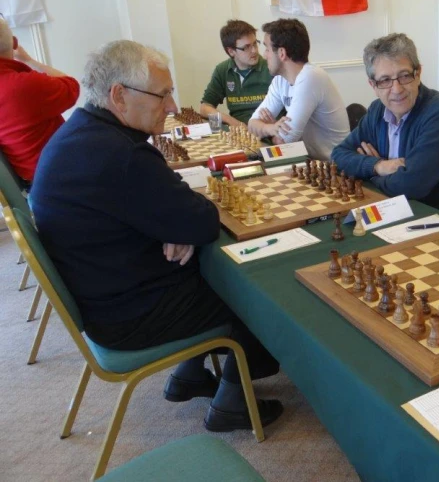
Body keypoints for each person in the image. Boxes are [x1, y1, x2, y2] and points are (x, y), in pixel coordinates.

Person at [30, 40, 282, 432]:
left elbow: (176, 214)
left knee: (205, 260)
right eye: (162, 95)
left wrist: (172, 223)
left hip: (104, 297)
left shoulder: (81, 133)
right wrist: (179, 224)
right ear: (119, 95)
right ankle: (233, 402)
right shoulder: (121, 156)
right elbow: (201, 220)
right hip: (131, 315)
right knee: (256, 288)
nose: (170, 106)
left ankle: (189, 375)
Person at [331, 33, 439, 218]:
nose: (397, 89)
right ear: (373, 85)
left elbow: (410, 186)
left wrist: (369, 174)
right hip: (388, 209)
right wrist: (379, 166)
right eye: (385, 80)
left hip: (436, 221)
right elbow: (338, 156)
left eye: (404, 76)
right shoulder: (376, 111)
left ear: (418, 74)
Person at [247, 18, 349, 161]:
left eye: (267, 49)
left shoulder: (311, 77)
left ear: (281, 53)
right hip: (309, 162)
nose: (264, 55)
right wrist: (271, 129)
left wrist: (271, 132)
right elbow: (252, 125)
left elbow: (284, 140)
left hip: (335, 169)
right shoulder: (279, 80)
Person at [0, 18, 79, 184]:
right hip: (61, 176)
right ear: (14, 43)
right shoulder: (22, 86)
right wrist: (29, 61)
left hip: (28, 182)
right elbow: (72, 86)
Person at [200, 19, 273, 126]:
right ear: (231, 51)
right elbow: (205, 108)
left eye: (255, 44)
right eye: (246, 47)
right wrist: (232, 121)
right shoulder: (223, 70)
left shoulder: (270, 68)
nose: (254, 50)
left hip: (266, 134)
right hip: (240, 134)